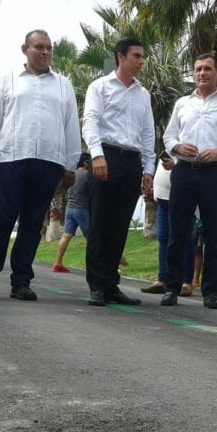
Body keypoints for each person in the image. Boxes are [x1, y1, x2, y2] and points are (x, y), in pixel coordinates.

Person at [0, 30, 80, 301]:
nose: (45, 53)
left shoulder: (63, 85)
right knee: (2, 221)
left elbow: (71, 125)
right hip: (11, 161)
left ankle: (21, 282)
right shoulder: (6, 81)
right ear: (25, 49)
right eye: (39, 47)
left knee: (32, 224)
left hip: (49, 163)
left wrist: (70, 165)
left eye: (49, 48)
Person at [160, 53, 217, 309]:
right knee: (178, 232)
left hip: (214, 173)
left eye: (207, 69)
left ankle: (210, 292)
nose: (202, 74)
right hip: (184, 171)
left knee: (212, 233)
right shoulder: (182, 103)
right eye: (198, 69)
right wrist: (177, 147)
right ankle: (171, 288)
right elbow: (168, 136)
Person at [82, 38, 155, 306]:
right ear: (120, 57)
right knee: (100, 223)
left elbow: (148, 133)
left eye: (142, 56)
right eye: (136, 55)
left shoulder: (143, 94)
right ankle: (96, 285)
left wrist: (149, 169)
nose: (141, 61)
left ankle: (111, 284)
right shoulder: (99, 87)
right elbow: (90, 121)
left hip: (132, 162)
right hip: (106, 155)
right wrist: (97, 155)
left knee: (120, 225)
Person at [139, 154, 195, 296]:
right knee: (163, 238)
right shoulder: (169, 147)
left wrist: (175, 167)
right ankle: (162, 279)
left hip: (180, 198)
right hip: (162, 199)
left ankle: (186, 281)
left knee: (184, 240)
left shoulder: (189, 149)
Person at [52, 152, 91, 273]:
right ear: (85, 162)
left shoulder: (71, 174)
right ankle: (95, 267)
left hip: (69, 208)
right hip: (82, 209)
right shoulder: (88, 175)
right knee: (92, 239)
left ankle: (58, 263)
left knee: (66, 236)